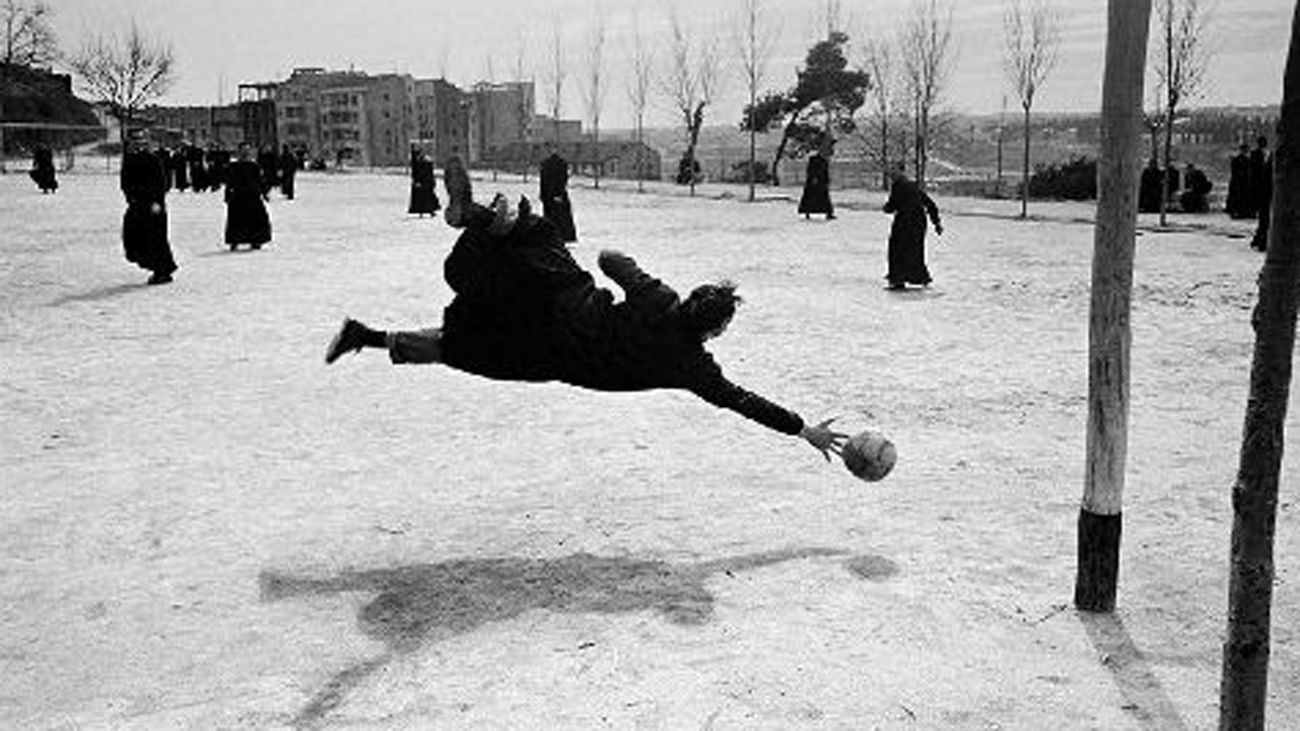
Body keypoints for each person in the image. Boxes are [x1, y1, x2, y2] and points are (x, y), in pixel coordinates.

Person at [325, 163, 848, 459]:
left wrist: (639, 280)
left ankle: (480, 226)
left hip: (562, 301)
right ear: (715, 330)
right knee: (464, 345)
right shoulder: (692, 366)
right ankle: (486, 225)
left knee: (534, 244)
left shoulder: (660, 300)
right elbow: (741, 400)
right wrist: (803, 430)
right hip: (547, 354)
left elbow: (609, 259)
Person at [119, 135, 178, 285]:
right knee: (133, 236)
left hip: (153, 206)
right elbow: (125, 182)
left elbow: (160, 183)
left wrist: (157, 202)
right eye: (132, 143)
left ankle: (163, 271)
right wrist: (130, 197)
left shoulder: (152, 159)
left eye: (139, 143)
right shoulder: (128, 159)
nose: (136, 146)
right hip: (137, 205)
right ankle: (153, 266)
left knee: (155, 238)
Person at [883, 166, 943, 290]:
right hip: (919, 221)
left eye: (892, 173)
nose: (891, 176)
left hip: (905, 220)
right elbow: (930, 204)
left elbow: (892, 205)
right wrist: (936, 222)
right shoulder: (912, 185)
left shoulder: (898, 185)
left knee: (897, 249)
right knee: (915, 250)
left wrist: (886, 208)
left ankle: (898, 279)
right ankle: (920, 277)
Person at [224, 142, 272, 250]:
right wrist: (227, 194)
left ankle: (256, 240)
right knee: (236, 220)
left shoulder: (254, 166)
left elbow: (260, 181)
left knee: (256, 219)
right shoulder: (233, 166)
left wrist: (264, 193)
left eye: (247, 150)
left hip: (252, 196)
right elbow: (229, 181)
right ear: (239, 152)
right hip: (238, 197)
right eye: (243, 150)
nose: (245, 152)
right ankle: (235, 240)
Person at [539, 145, 577, 242]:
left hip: (553, 194)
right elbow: (544, 181)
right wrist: (545, 194)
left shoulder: (557, 164)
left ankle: (560, 236)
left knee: (557, 217)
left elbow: (562, 180)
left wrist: (556, 194)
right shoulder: (548, 164)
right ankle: (556, 236)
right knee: (554, 217)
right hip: (551, 195)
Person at [798, 146, 835, 220]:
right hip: (815, 181)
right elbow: (811, 170)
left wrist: (826, 180)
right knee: (811, 197)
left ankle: (828, 213)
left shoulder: (823, 160)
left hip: (821, 181)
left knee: (823, 197)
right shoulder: (815, 160)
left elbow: (824, 172)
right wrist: (814, 178)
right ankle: (807, 212)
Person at [1250, 136, 1273, 252]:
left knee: (1264, 219)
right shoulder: (1270, 156)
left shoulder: (1270, 155)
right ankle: (1261, 241)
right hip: (1265, 191)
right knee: (1265, 218)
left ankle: (1260, 241)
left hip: (1265, 191)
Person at [407, 148, 440, 217]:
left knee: (428, 198)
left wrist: (432, 182)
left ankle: (430, 211)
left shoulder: (426, 163)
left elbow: (429, 173)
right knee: (421, 199)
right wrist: (416, 181)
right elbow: (416, 173)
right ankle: (422, 212)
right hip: (421, 183)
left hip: (426, 183)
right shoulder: (418, 163)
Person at [1225, 143, 1253, 219]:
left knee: (1238, 199)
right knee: (1241, 199)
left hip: (1237, 183)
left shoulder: (1236, 160)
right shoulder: (1247, 161)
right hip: (1242, 184)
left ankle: (1238, 211)